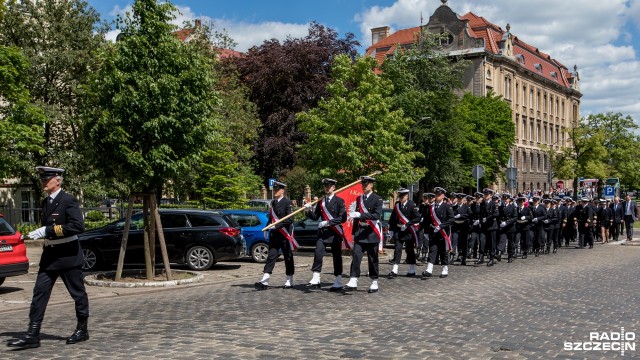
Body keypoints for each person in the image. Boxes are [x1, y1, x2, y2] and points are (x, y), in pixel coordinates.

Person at [8, 166, 89, 350]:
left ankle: (82, 329)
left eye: (47, 179)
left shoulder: (68, 200)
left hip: (68, 255)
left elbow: (77, 226)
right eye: (42, 179)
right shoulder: (46, 203)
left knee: (78, 294)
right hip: (50, 256)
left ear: (58, 180)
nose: (44, 182)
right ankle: (33, 334)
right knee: (39, 294)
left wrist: (48, 230)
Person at [303, 178, 347, 291]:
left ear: (334, 187)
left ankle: (337, 280)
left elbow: (343, 218)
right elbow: (315, 217)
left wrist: (328, 222)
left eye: (329, 186)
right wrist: (308, 211)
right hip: (323, 233)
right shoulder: (321, 201)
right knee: (318, 253)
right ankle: (316, 278)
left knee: (336, 257)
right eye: (325, 186)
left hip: (335, 232)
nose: (327, 188)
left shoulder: (339, 201)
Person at [343, 176, 383, 293]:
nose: (364, 186)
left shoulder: (378, 199)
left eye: (367, 184)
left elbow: (376, 215)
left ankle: (374, 281)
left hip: (371, 232)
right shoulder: (359, 199)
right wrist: (354, 233)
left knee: (372, 258)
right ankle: (353, 280)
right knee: (356, 256)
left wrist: (361, 215)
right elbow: (356, 218)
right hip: (360, 232)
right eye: (363, 184)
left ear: (371, 185)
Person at [255, 181, 296, 290]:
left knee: (288, 257)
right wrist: (268, 226)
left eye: (277, 190)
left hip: (285, 233)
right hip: (274, 235)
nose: (275, 192)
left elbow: (290, 219)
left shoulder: (288, 202)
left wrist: (276, 226)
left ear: (282, 191)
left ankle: (289, 279)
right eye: (274, 190)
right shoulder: (273, 202)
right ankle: (265, 280)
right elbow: (271, 218)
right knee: (271, 256)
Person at [421, 187, 454, 278]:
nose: (437, 197)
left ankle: (445, 269)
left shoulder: (447, 206)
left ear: (443, 196)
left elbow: (451, 219)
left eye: (439, 195)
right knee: (432, 250)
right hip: (433, 233)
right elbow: (427, 220)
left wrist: (441, 226)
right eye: (436, 195)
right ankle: (429, 269)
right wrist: (426, 232)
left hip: (443, 233)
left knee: (443, 251)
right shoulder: (431, 207)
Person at [388, 188, 421, 278]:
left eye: (403, 196)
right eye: (400, 197)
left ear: (407, 196)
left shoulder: (411, 205)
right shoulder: (397, 205)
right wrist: (390, 229)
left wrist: (407, 224)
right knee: (397, 249)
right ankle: (394, 270)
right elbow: (393, 217)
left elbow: (417, 217)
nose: (401, 198)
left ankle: (412, 269)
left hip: (408, 232)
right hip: (399, 231)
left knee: (409, 250)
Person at [478, 188, 499, 266]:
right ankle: (481, 257)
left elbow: (496, 214)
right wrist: (480, 221)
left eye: (487, 194)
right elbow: (480, 214)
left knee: (491, 243)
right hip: (484, 226)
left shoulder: (494, 203)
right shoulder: (482, 203)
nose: (485, 196)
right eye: (485, 194)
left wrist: (487, 218)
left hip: (492, 226)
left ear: (490, 195)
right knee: (482, 240)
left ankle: (491, 258)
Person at [452, 195, 472, 265]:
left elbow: (470, 215)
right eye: (458, 198)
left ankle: (463, 258)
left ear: (463, 199)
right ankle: (452, 256)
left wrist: (461, 215)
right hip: (456, 226)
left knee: (463, 243)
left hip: (463, 226)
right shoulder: (453, 207)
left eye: (461, 199)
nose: (459, 200)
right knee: (454, 241)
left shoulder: (466, 207)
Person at [497, 193, 517, 262]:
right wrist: (500, 222)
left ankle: (510, 256)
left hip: (510, 227)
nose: (505, 200)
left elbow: (515, 217)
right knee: (502, 240)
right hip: (503, 227)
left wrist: (506, 222)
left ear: (509, 200)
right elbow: (498, 217)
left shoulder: (513, 207)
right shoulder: (500, 208)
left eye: (506, 199)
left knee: (510, 242)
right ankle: (499, 253)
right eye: (504, 199)